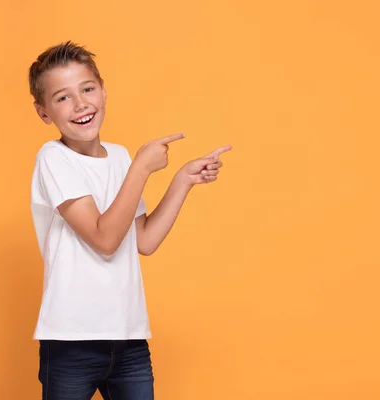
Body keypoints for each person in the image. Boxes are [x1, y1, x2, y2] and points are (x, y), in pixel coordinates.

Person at [28, 40, 231, 399]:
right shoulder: (53, 159)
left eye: (87, 89)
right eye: (62, 97)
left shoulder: (120, 157)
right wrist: (141, 167)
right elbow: (104, 239)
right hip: (72, 341)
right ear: (44, 113)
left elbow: (144, 240)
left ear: (104, 92)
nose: (80, 104)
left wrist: (182, 179)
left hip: (129, 339)